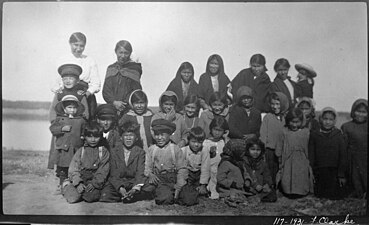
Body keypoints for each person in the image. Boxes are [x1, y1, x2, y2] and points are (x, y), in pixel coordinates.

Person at [47, 64, 89, 171]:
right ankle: (60, 172)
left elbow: (86, 113)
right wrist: (57, 123)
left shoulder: (80, 95)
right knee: (60, 151)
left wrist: (78, 120)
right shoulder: (59, 94)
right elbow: (52, 111)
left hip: (76, 128)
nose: (68, 81)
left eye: (71, 78)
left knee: (76, 150)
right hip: (62, 128)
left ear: (77, 80)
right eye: (65, 78)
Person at [100, 121, 153, 203]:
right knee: (106, 194)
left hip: (133, 181)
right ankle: (126, 195)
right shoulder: (114, 151)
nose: (128, 138)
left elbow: (140, 172)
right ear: (121, 137)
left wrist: (135, 189)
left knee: (150, 187)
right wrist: (120, 188)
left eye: (131, 136)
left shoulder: (140, 152)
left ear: (136, 138)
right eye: (126, 136)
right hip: (120, 181)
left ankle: (131, 195)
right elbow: (113, 174)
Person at [52, 32, 101, 119]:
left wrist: (87, 94)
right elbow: (56, 82)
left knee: (87, 122)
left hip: (85, 96)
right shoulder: (62, 60)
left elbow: (96, 83)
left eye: (81, 46)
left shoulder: (89, 60)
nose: (78, 49)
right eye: (76, 45)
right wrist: (60, 91)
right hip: (66, 97)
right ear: (70, 43)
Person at [62, 121, 110, 203]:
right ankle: (67, 185)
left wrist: (94, 183)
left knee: (91, 197)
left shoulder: (103, 151)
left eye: (96, 137)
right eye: (89, 137)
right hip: (81, 178)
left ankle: (83, 193)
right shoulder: (81, 151)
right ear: (84, 137)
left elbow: (103, 170)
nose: (93, 140)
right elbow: (74, 168)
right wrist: (78, 183)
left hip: (94, 180)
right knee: (72, 198)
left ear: (100, 137)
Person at [49, 95, 86, 195]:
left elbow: (84, 131)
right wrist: (61, 129)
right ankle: (61, 186)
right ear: (64, 109)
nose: (72, 110)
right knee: (63, 169)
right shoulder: (60, 119)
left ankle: (73, 185)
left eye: (74, 108)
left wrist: (82, 137)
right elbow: (52, 129)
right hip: (64, 149)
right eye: (69, 107)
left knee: (75, 167)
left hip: (76, 148)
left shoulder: (81, 120)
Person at [144, 119, 187, 205]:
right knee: (161, 196)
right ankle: (161, 191)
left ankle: (172, 193)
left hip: (173, 178)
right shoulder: (152, 149)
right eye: (156, 135)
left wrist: (179, 186)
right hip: (158, 178)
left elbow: (182, 169)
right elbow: (147, 167)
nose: (159, 138)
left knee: (188, 198)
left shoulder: (175, 149)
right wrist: (150, 174)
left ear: (169, 134)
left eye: (162, 135)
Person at [308, 107, 347, 200]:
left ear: (334, 121)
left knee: (335, 195)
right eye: (325, 119)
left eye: (331, 119)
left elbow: (343, 155)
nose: (328, 122)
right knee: (320, 194)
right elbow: (311, 153)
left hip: (334, 170)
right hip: (320, 170)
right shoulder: (314, 134)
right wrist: (311, 170)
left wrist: (341, 174)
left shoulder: (338, 135)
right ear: (320, 119)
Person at [275, 108, 314, 198]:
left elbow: (309, 146)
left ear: (302, 121)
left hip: (302, 159)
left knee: (301, 175)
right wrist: (279, 156)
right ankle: (288, 191)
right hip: (288, 159)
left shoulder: (306, 132)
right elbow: (279, 145)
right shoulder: (284, 131)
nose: (294, 125)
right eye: (292, 122)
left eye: (297, 122)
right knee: (288, 175)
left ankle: (301, 191)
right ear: (288, 121)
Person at [102, 40, 142, 116]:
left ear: (130, 53)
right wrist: (114, 102)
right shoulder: (111, 68)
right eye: (120, 52)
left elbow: (136, 91)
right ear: (116, 52)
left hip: (128, 109)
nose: (123, 56)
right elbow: (106, 90)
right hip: (112, 107)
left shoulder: (134, 69)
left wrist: (124, 104)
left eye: (126, 53)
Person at [260, 92, 289, 187]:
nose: (275, 106)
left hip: (283, 149)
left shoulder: (286, 118)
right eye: (272, 104)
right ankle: (270, 186)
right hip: (270, 150)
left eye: (277, 104)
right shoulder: (267, 117)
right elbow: (263, 135)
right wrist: (263, 149)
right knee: (270, 170)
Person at [341, 99, 368, 199]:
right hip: (352, 159)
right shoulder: (347, 126)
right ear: (353, 111)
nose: (360, 114)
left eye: (364, 112)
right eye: (358, 111)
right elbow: (344, 146)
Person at [177, 127, 210, 206]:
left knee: (202, 190)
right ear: (188, 141)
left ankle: (199, 190)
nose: (196, 144)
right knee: (187, 190)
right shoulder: (183, 150)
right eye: (193, 141)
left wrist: (203, 184)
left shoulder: (204, 151)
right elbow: (181, 167)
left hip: (199, 174)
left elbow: (205, 168)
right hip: (187, 174)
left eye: (200, 142)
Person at [217, 139, 251, 206]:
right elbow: (220, 179)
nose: (244, 153)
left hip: (240, 188)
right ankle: (227, 199)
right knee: (235, 197)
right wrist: (232, 184)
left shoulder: (240, 162)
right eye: (242, 152)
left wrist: (247, 179)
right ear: (235, 151)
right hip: (228, 189)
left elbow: (245, 172)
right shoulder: (225, 163)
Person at [202, 116, 230, 199]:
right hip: (209, 170)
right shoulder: (206, 142)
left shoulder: (224, 142)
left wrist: (226, 137)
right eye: (215, 130)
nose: (217, 133)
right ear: (211, 129)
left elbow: (229, 151)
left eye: (220, 130)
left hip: (220, 170)